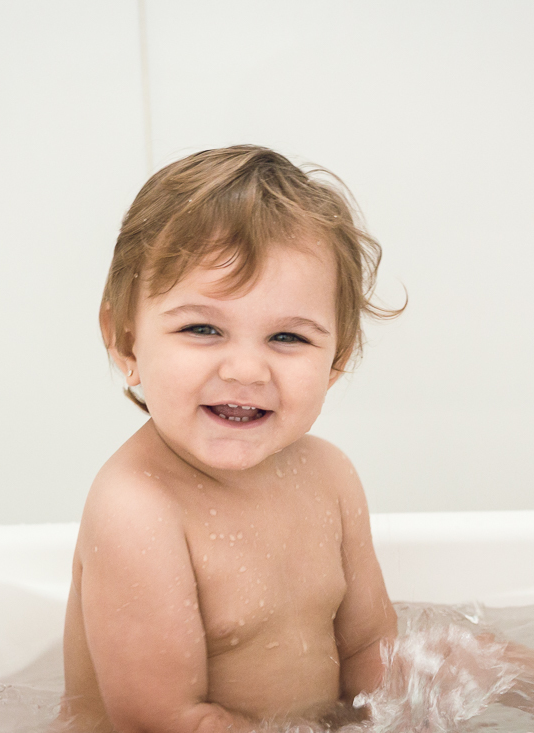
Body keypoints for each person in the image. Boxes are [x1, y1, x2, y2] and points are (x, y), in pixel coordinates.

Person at [58, 146, 403, 733]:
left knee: (478, 661)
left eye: (288, 338)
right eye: (202, 328)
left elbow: (371, 650)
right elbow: (165, 721)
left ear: (336, 359)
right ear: (124, 340)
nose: (246, 370)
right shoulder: (138, 510)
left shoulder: (330, 478)